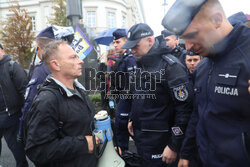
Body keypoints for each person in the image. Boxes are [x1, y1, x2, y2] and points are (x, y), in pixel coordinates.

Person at [162, 0, 250, 166]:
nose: (187, 47)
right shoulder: (202, 67)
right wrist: (186, 153)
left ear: (216, 20)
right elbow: (198, 114)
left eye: (192, 36)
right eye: (183, 39)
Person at [122, 23, 193, 167]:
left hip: (162, 143)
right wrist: (132, 118)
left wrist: (174, 145)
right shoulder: (140, 65)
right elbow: (140, 97)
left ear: (150, 40)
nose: (132, 49)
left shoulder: (171, 67)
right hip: (142, 140)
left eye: (136, 45)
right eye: (131, 46)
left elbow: (185, 109)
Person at [24, 40, 99, 167]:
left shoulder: (79, 89)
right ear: (56, 65)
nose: (80, 61)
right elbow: (38, 151)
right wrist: (84, 144)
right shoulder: (47, 100)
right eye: (73, 57)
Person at [0, 43, 28, 167]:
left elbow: (24, 91)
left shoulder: (12, 66)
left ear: (3, 50)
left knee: (19, 154)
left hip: (12, 118)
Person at [110, 29, 137, 152]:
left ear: (126, 42)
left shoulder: (130, 59)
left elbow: (133, 85)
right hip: (122, 100)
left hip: (127, 103)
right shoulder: (122, 59)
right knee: (121, 137)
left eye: (118, 42)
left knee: (125, 135)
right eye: (114, 42)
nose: (115, 45)